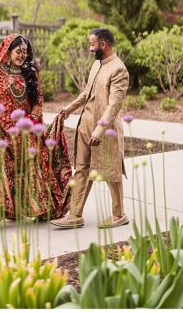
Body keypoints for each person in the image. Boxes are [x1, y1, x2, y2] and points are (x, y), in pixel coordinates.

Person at [0, 34, 72, 231]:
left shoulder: (31, 72)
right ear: (7, 51)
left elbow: (38, 102)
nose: (22, 55)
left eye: (25, 52)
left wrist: (31, 120)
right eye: (18, 51)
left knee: (29, 168)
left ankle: (37, 209)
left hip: (24, 131)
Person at [51, 28, 130, 230]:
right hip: (85, 125)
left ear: (103, 44)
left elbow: (114, 106)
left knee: (111, 171)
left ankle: (119, 214)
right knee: (82, 169)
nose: (90, 47)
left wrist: (99, 130)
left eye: (92, 44)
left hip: (105, 130)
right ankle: (75, 215)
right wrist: (69, 109)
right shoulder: (96, 64)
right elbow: (87, 92)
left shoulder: (119, 69)